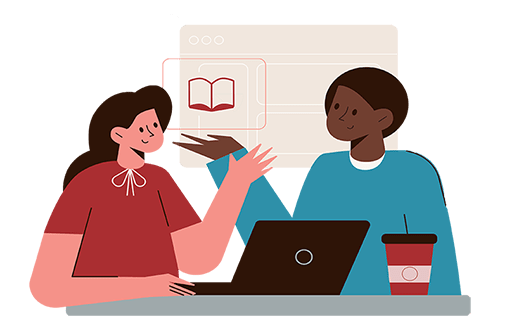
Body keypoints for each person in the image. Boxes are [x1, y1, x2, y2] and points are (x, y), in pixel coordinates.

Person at [174, 67, 462, 295]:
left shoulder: (414, 172)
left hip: (390, 302)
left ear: (383, 119)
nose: (339, 117)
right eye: (336, 107)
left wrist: (441, 306)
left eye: (353, 111)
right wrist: (231, 162)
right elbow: (291, 246)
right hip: (325, 300)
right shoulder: (327, 168)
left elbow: (437, 246)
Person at [29, 85, 276, 308]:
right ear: (118, 135)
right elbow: (47, 288)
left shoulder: (159, 179)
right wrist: (145, 287)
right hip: (100, 314)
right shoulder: (86, 184)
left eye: (155, 126)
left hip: (161, 309)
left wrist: (236, 183)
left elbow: (199, 259)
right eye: (142, 128)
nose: (152, 133)